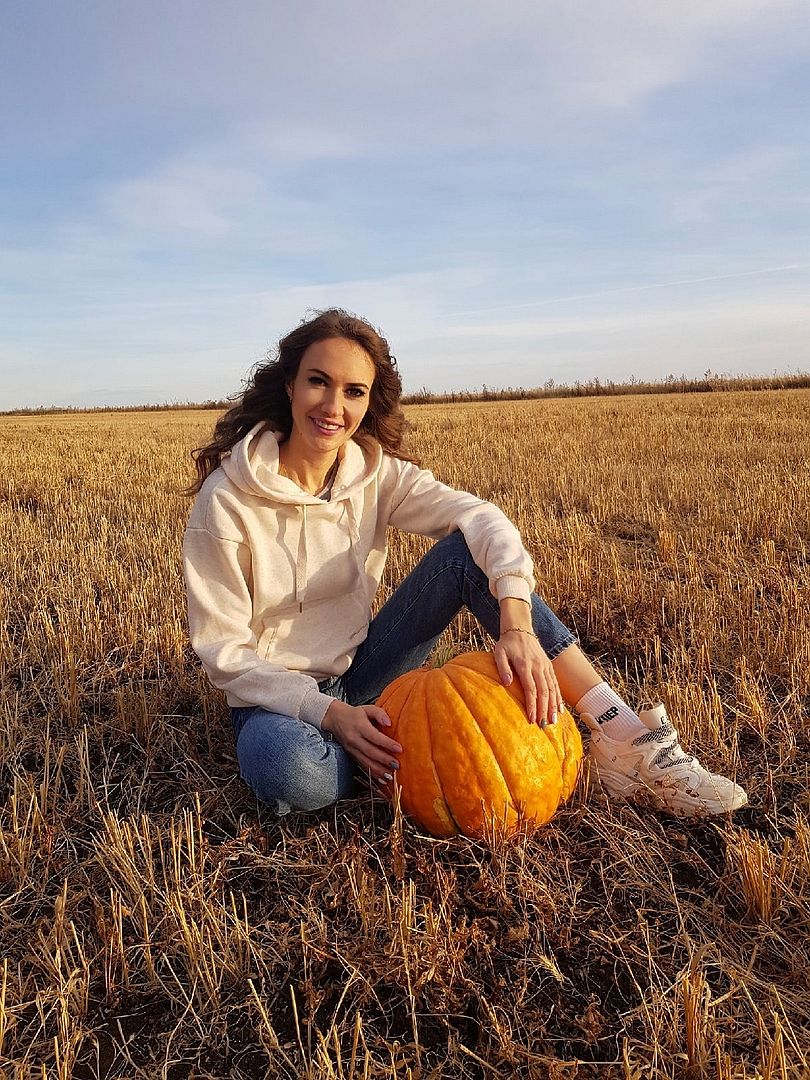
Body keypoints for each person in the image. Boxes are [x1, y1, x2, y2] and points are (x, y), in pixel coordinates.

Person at [183, 309, 747, 820]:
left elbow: (483, 519)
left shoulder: (374, 473)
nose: (334, 407)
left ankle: (621, 734)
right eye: (318, 381)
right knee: (293, 773)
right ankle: (384, 748)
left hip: (362, 668)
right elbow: (225, 653)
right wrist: (329, 715)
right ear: (290, 384)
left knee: (465, 554)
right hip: (278, 699)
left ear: (368, 402)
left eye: (354, 391)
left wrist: (517, 625)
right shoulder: (226, 500)